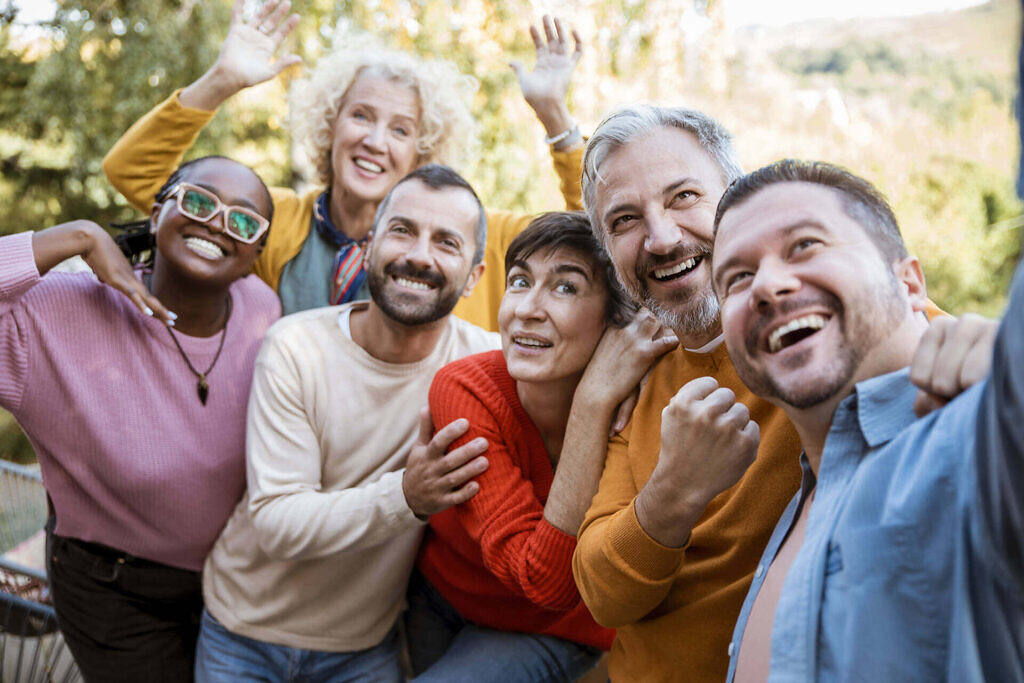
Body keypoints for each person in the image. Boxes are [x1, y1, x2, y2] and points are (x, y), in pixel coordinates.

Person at [570, 105, 948, 682]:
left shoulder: (823, 339)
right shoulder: (638, 379)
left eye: (683, 196)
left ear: (735, 196)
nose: (661, 238)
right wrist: (675, 489)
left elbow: (922, 332)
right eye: (624, 220)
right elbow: (602, 591)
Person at [711, 160, 1019, 682]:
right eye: (737, 278)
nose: (766, 285)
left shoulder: (979, 438)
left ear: (910, 282)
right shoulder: (799, 502)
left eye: (804, 245)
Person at [194, 164, 504, 682]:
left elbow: (582, 345)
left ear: (473, 276)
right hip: (243, 635)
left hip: (365, 648)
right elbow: (276, 522)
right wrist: (407, 497)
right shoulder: (295, 348)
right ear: (367, 246)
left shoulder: (489, 366)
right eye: (402, 230)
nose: (418, 255)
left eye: (446, 242)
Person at [103, 0, 587, 329]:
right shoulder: (275, 219)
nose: (375, 141)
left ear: (422, 151)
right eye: (361, 116)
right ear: (330, 126)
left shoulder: (472, 236)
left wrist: (554, 115)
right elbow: (134, 175)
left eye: (400, 130)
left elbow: (595, 229)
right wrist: (221, 80)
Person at [0, 155, 281, 682]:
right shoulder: (56, 315)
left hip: (230, 587)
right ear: (157, 215)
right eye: (199, 201)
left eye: (242, 220)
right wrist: (78, 236)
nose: (217, 223)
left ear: (254, 255)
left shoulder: (262, 309)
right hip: (113, 592)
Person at [406, 212, 678, 681]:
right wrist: (592, 402)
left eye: (566, 287)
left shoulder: (642, 407)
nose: (526, 309)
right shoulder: (468, 387)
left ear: (619, 320)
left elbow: (545, 582)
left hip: (556, 626)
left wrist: (593, 403)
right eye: (519, 281)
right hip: (443, 597)